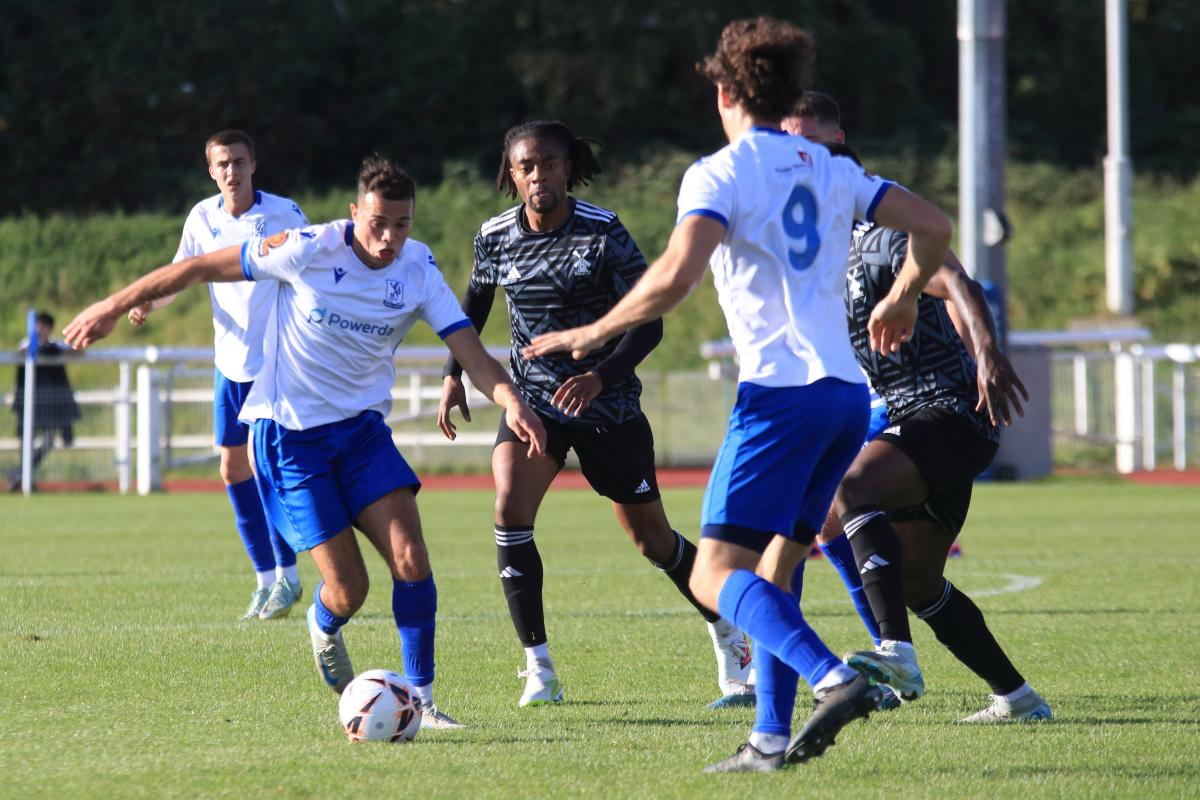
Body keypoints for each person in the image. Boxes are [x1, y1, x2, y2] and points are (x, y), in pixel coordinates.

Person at [523, 17, 954, 770]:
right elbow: (934, 225)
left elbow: (675, 276)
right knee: (775, 571)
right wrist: (905, 296)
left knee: (713, 572)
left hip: (780, 399)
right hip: (844, 397)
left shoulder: (719, 173)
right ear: (788, 94)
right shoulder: (832, 168)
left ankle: (834, 678)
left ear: (725, 92)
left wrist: (592, 332)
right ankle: (769, 739)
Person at [64, 154, 548, 731]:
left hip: (362, 435)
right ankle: (323, 622)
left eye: (401, 225)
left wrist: (511, 400)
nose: (389, 239)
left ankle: (421, 702)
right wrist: (112, 305)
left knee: (412, 559)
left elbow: (470, 349)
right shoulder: (307, 248)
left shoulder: (418, 268)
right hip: (289, 439)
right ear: (353, 213)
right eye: (378, 224)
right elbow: (197, 268)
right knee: (349, 589)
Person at [437, 120, 753, 709]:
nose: (538, 176)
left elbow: (649, 324)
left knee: (654, 542)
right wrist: (453, 375)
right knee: (509, 509)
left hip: (609, 406)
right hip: (533, 403)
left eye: (549, 164)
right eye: (526, 167)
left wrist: (598, 376)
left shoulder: (603, 232)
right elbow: (471, 309)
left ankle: (728, 632)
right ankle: (539, 670)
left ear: (568, 167)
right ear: (512, 174)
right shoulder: (494, 236)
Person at [827, 143, 1052, 724]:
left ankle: (895, 652)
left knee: (850, 491)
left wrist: (988, 353)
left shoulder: (878, 240)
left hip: (948, 410)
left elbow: (958, 283)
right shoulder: (818, 257)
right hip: (920, 417)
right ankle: (1018, 699)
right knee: (920, 582)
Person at [129, 130, 308, 621]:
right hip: (229, 364)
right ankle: (265, 580)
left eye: (239, 161)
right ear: (211, 171)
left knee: (267, 470)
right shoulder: (202, 218)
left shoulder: (284, 214)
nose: (232, 170)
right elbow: (180, 273)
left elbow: (311, 274)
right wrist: (150, 301)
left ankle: (289, 576)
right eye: (223, 163)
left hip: (273, 364)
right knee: (232, 470)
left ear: (254, 165)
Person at [9, 312, 81, 491]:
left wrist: (51, 350)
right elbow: (21, 353)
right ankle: (23, 479)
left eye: (42, 326)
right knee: (25, 441)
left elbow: (77, 353)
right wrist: (36, 347)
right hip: (28, 402)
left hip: (49, 404)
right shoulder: (26, 344)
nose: (39, 330)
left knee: (49, 438)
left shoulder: (56, 345)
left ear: (50, 328)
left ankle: (20, 473)